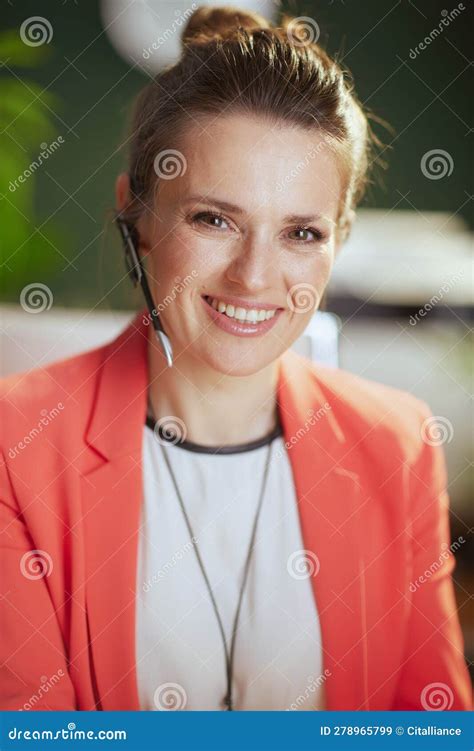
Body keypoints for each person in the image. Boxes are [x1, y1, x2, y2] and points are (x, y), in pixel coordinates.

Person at [0, 6, 471, 712]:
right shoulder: (16, 447)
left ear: (338, 240)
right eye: (213, 218)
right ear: (138, 215)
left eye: (301, 232)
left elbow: (427, 724)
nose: (255, 277)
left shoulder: (398, 445)